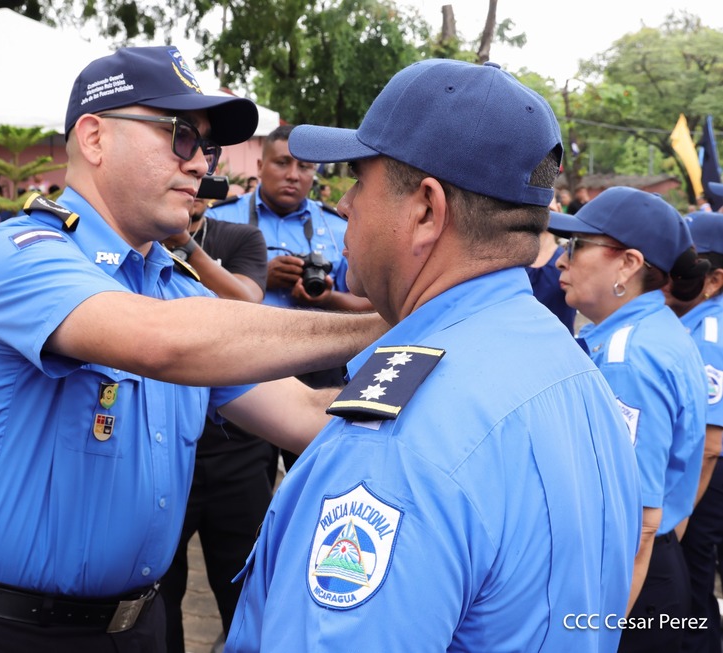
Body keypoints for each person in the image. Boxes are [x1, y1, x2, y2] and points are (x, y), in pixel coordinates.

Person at [0, 45, 386, 653]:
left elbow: (304, 415)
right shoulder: (21, 252)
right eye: (181, 135)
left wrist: (440, 354)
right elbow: (160, 342)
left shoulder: (174, 284)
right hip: (7, 633)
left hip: (140, 630)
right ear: (95, 137)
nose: (199, 164)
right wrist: (390, 319)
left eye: (208, 148)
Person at [224, 59, 641, 653]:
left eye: (358, 180)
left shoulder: (393, 447)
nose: (343, 205)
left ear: (425, 209)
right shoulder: (575, 373)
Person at [549, 187, 708, 653]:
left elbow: (637, 521)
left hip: (628, 584)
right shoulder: (654, 331)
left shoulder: (628, 356)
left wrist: (600, 633)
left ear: (628, 264)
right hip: (652, 567)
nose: (561, 259)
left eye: (577, 247)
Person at [207, 125, 373, 471]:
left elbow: (370, 307)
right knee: (238, 495)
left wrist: (326, 299)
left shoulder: (340, 225)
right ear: (259, 164)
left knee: (317, 477)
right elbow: (194, 294)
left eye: (305, 167)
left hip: (320, 366)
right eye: (282, 163)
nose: (293, 175)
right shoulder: (217, 220)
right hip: (242, 369)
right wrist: (256, 278)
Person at [158, 192, 274, 653]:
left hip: (236, 445)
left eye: (204, 168)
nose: (191, 177)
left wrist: (186, 245)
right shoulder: (137, 249)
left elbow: (247, 300)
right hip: (167, 445)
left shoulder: (239, 235)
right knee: (157, 596)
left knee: (244, 591)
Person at [667, 211, 723, 653]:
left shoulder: (706, 331)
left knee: (692, 594)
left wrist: (681, 519)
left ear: (714, 278)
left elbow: (710, 445)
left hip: (705, 490)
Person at [526, 196, 577, 333]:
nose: (542, 213)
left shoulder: (570, 261)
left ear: (559, 209)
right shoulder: (509, 261)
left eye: (548, 208)